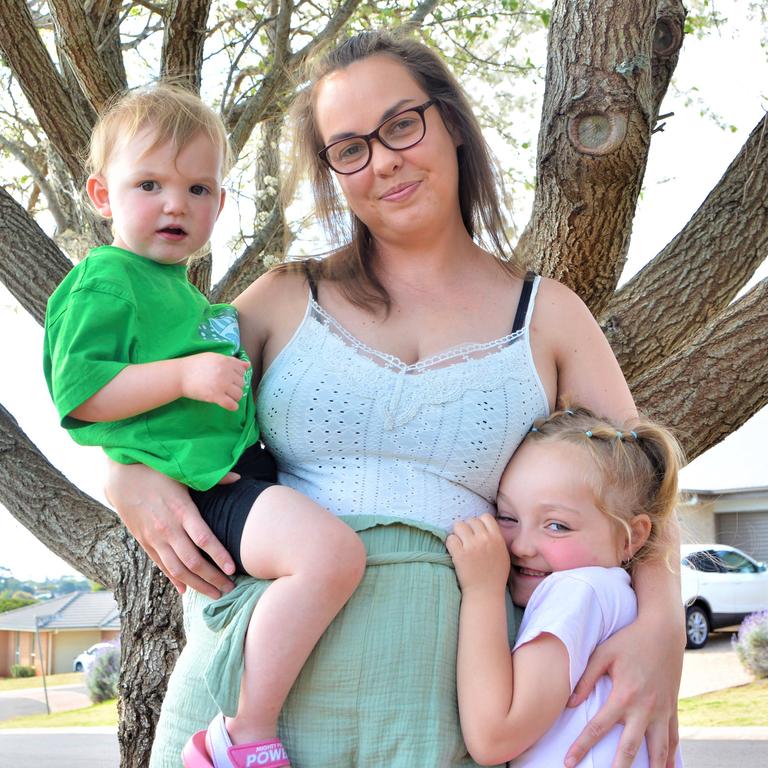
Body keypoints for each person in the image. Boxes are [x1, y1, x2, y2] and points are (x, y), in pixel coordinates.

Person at [106, 31, 686, 768]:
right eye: (349, 148)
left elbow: (646, 494)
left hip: (436, 715)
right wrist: (125, 476)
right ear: (333, 173)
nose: (382, 160)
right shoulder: (285, 297)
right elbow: (138, 403)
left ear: (450, 123)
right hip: (247, 716)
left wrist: (661, 627)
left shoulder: (549, 316)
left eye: (401, 125)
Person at [43, 83, 366, 768]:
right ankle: (242, 731)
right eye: (150, 184)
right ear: (102, 197)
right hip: (203, 486)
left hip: (235, 470)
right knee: (330, 556)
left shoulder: (181, 292)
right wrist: (186, 377)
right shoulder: (108, 278)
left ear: (219, 204)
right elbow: (79, 391)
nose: (174, 204)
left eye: (197, 189)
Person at [447, 406, 685, 767]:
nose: (521, 547)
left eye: (557, 525)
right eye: (508, 517)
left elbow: (494, 737)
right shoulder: (616, 596)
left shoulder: (577, 590)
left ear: (631, 537)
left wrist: (483, 590)